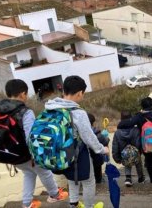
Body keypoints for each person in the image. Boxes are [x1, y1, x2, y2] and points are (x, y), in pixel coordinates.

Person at [0, 79, 68, 208]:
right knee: (45, 172)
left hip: (9, 154)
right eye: (26, 94)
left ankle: (27, 203)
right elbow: (31, 137)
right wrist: (37, 155)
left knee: (29, 174)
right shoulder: (25, 112)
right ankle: (55, 195)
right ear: (23, 94)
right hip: (26, 154)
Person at [45, 76, 109, 208]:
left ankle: (73, 205)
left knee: (71, 179)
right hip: (78, 154)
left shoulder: (50, 108)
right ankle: (89, 206)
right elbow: (88, 137)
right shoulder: (78, 112)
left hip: (59, 154)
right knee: (89, 182)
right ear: (80, 93)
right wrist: (102, 149)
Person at [117, 97, 152, 183]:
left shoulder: (139, 116)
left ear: (142, 106)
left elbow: (128, 123)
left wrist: (119, 125)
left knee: (150, 162)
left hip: (147, 146)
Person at [112, 111, 145, 187]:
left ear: (121, 118)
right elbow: (138, 142)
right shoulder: (136, 130)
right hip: (136, 152)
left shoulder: (118, 132)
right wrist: (140, 151)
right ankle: (140, 178)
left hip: (124, 153)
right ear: (131, 118)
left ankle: (128, 178)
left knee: (127, 161)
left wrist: (116, 158)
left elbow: (115, 146)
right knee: (138, 163)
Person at [88, 113, 110, 184]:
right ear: (93, 123)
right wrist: (107, 138)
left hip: (86, 159)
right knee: (97, 170)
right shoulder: (97, 134)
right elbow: (105, 141)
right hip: (97, 158)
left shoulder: (80, 133)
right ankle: (98, 180)